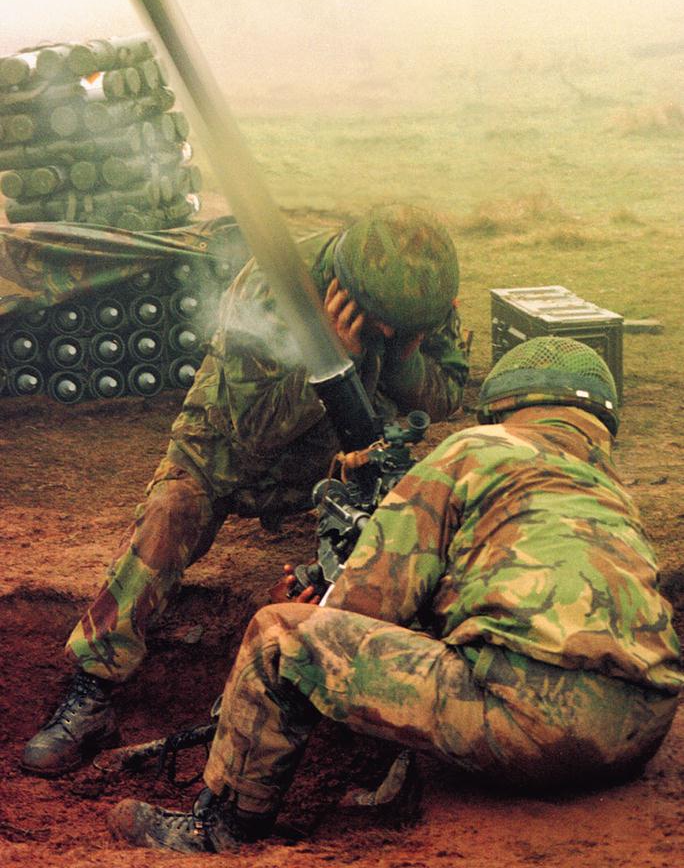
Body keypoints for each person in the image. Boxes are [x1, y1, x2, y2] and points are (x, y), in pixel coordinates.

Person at [104, 336, 683, 854]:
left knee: (279, 638)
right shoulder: (614, 495)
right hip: (639, 729)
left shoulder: (473, 449)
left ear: (502, 407)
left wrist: (320, 606)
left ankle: (219, 827)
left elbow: (366, 605)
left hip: (531, 721)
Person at [22, 204, 470, 777]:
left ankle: (377, 709)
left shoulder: (416, 299)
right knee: (169, 512)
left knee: (403, 541)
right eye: (380, 321)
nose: (386, 332)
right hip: (228, 447)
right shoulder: (271, 288)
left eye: (396, 326)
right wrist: (329, 352)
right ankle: (93, 688)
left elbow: (447, 396)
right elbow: (253, 432)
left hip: (343, 455)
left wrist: (405, 364)